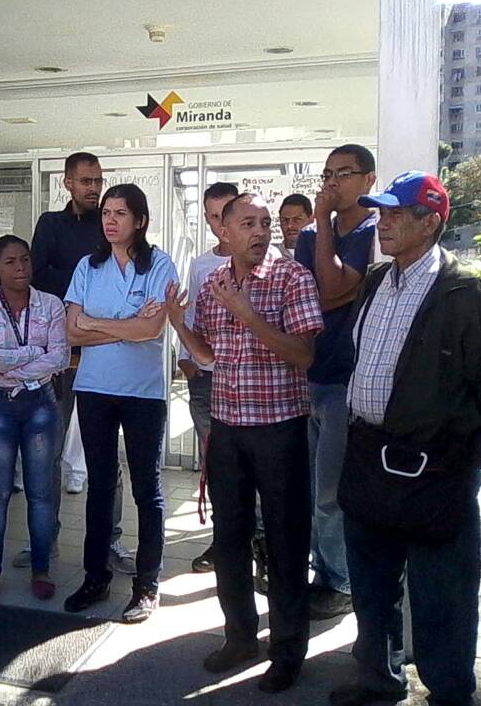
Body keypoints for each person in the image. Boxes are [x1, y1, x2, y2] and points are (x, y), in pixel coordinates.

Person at [330, 171, 481, 706]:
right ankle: (378, 681)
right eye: (380, 213)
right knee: (372, 588)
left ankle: (451, 693)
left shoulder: (465, 295)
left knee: (442, 597)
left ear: (430, 222)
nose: (381, 223)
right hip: (368, 458)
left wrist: (452, 453)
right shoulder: (377, 281)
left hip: (434, 471)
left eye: (394, 214)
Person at [165, 192, 323, 693]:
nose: (260, 232)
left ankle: (288, 651)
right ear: (224, 234)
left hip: (280, 428)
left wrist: (250, 313)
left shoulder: (291, 277)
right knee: (230, 538)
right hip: (228, 428)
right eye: (248, 224)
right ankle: (239, 637)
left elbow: (304, 355)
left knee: (285, 539)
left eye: (264, 223)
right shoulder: (212, 284)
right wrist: (175, 322)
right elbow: (209, 355)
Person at [62, 183, 178, 623]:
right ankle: (96, 576)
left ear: (141, 221)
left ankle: (147, 586)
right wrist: (123, 324)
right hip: (94, 389)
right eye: (106, 212)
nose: (110, 220)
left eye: (120, 213)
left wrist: (98, 323)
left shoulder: (159, 265)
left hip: (143, 393)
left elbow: (151, 332)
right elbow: (72, 332)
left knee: (147, 489)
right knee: (100, 485)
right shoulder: (88, 267)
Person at [26, 150, 135, 574]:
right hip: (59, 355)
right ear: (68, 183)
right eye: (85, 181)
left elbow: (122, 289)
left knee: (108, 454)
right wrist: (85, 287)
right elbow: (39, 277)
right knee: (47, 453)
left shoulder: (112, 226)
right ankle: (44, 542)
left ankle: (111, 541)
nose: (93, 188)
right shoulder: (51, 225)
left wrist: (81, 293)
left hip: (105, 354)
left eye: (98, 180)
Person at [294, 145, 378, 620]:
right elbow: (307, 297)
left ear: (368, 179)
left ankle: (340, 581)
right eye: (327, 174)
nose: (331, 183)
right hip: (308, 374)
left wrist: (322, 224)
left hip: (347, 381)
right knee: (310, 488)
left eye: (343, 174)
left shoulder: (374, 232)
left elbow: (327, 288)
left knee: (331, 491)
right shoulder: (311, 234)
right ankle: (323, 572)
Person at [0, 235, 69, 602]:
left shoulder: (51, 305)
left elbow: (59, 357)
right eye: (10, 262)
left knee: (40, 492)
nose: (21, 268)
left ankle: (41, 569)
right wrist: (31, 354)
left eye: (25, 260)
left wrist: (13, 363)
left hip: (40, 404)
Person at [181, 183, 267, 593]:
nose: (220, 228)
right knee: (218, 469)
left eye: (226, 218)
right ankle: (224, 542)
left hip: (260, 392)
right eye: (213, 218)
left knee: (261, 474)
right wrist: (188, 356)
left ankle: (263, 547)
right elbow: (195, 318)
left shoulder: (278, 270)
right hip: (210, 380)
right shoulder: (203, 268)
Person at [277, 193, 314, 259]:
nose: (290, 226)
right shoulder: (272, 257)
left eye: (297, 219)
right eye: (285, 220)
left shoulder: (323, 256)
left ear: (311, 219)